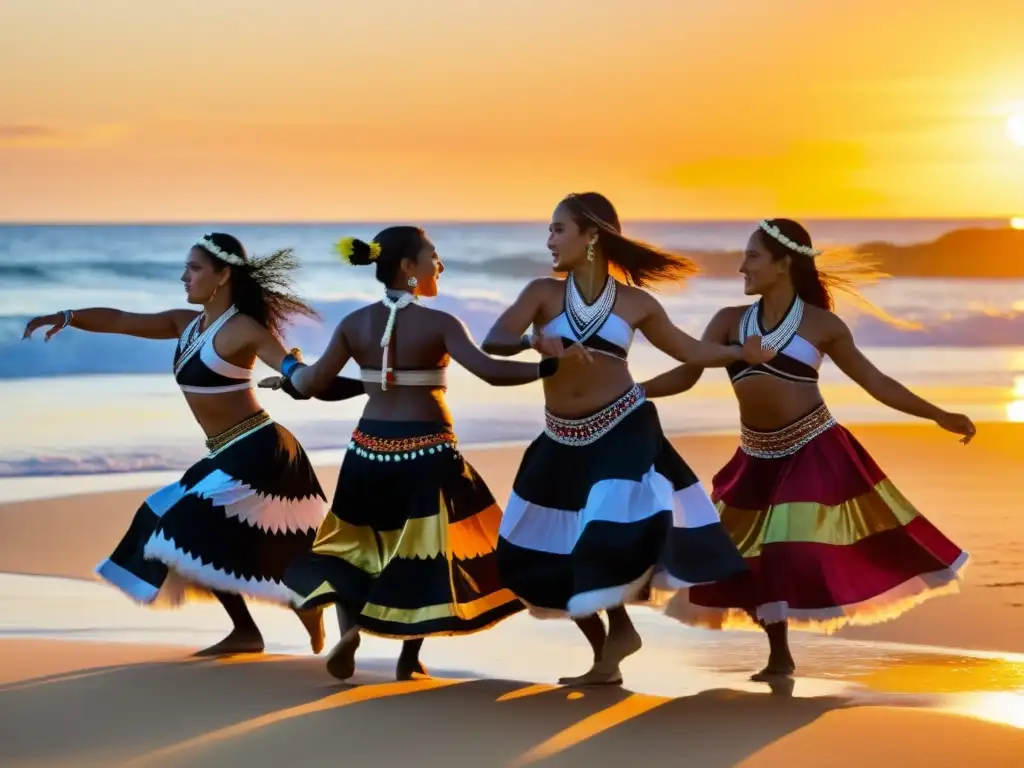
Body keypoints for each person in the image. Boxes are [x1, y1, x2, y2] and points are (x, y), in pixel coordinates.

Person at [640, 218, 973, 680]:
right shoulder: (728, 322)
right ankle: (779, 649)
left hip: (813, 447)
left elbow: (876, 382)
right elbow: (687, 372)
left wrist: (937, 414)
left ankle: (780, 656)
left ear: (783, 264)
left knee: (783, 549)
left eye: (752, 256)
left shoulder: (822, 326)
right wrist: (634, 392)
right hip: (755, 456)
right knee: (737, 559)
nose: (742, 266)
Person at [481, 192, 771, 686]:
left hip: (623, 427)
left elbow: (690, 350)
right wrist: (535, 341)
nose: (550, 240)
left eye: (558, 229)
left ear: (592, 236)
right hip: (561, 438)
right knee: (539, 552)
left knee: (604, 525)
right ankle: (610, 646)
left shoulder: (636, 303)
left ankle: (616, 640)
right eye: (550, 230)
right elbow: (494, 339)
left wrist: (738, 352)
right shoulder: (542, 295)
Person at [272, 225, 582, 682]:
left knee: (354, 544)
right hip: (426, 454)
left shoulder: (354, 323)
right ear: (407, 267)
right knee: (423, 554)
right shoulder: (440, 323)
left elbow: (313, 384)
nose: (440, 265)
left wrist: (288, 370)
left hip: (367, 453)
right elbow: (491, 372)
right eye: (433, 256)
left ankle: (350, 629)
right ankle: (408, 658)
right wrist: (549, 366)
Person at [22, 233, 335, 657]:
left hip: (261, 449)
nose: (183, 276)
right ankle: (249, 630)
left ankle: (301, 603)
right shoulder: (183, 324)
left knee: (187, 527)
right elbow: (120, 320)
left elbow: (288, 363)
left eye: (194, 268)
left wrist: (298, 375)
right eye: (186, 267)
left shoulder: (243, 327)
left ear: (223, 275)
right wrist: (67, 316)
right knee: (160, 517)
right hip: (225, 450)